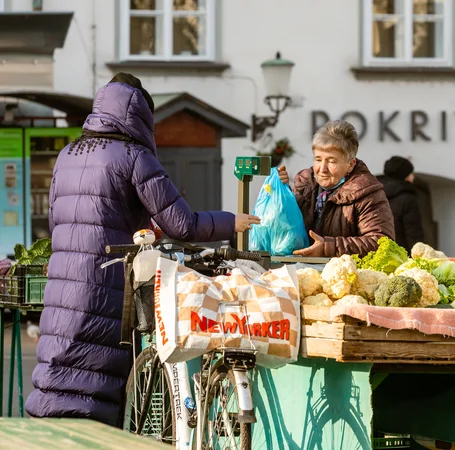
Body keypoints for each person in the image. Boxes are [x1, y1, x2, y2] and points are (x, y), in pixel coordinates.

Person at [24, 73, 260, 426]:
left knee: (59, 373)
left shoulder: (67, 155)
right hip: (105, 289)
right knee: (96, 383)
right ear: (140, 116)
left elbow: (61, 220)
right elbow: (183, 225)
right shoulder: (133, 157)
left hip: (63, 285)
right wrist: (230, 222)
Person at [278, 120, 394, 257]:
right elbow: (285, 230)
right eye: (318, 159)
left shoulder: (368, 193)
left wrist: (327, 248)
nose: (322, 169)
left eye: (332, 161)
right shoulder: (304, 185)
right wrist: (280, 195)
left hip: (346, 276)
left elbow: (381, 243)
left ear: (350, 164)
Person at [378, 156, 424, 253]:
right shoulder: (408, 199)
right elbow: (413, 232)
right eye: (410, 173)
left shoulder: (375, 194)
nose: (413, 177)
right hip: (401, 254)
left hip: (379, 251)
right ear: (404, 175)